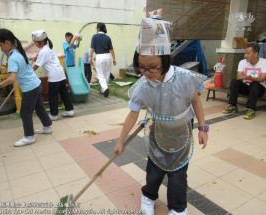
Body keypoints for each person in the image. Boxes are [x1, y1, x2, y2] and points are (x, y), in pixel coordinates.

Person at [114, 18, 208, 215]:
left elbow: (196, 102)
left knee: (178, 174)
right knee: (154, 170)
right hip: (158, 132)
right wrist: (121, 141)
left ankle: (178, 208)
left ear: (165, 61)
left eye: (153, 67)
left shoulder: (184, 78)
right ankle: (148, 197)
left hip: (182, 132)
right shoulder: (143, 85)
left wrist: (203, 128)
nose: (147, 73)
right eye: (142, 67)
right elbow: (132, 114)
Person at [0, 28, 52, 147]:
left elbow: (11, 79)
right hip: (36, 84)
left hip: (30, 88)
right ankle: (47, 127)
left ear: (7, 43)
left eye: (0, 45)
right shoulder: (18, 52)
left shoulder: (13, 57)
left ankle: (29, 137)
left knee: (25, 113)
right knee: (39, 108)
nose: (1, 49)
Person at [31, 30, 74, 120]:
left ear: (41, 41)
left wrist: (28, 72)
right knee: (64, 93)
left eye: (35, 42)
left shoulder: (44, 51)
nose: (35, 44)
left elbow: (36, 66)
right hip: (60, 73)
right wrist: (37, 57)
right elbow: (42, 57)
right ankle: (70, 110)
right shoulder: (49, 47)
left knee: (53, 96)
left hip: (54, 76)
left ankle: (54, 115)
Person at [222, 43, 266, 120]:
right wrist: (248, 77)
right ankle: (232, 105)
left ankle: (250, 109)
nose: (245, 55)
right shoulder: (242, 62)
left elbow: (262, 78)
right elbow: (239, 76)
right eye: (245, 53)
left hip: (258, 89)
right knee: (234, 82)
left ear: (256, 54)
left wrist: (250, 77)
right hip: (246, 87)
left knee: (254, 84)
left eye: (248, 53)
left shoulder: (264, 62)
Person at [90, 23, 116, 97]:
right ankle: (103, 90)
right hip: (108, 56)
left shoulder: (94, 37)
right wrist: (114, 58)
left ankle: (105, 88)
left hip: (99, 57)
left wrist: (90, 58)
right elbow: (111, 49)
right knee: (107, 74)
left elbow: (92, 49)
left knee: (100, 74)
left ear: (98, 28)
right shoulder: (108, 37)